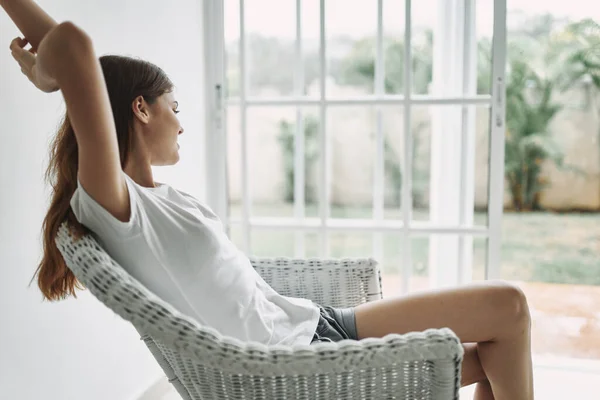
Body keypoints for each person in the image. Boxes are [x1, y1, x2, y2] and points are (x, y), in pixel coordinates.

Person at [1, 1, 534, 399]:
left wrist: (58, 72)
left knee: (503, 323)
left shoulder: (153, 197)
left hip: (318, 323)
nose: (181, 122)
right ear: (141, 110)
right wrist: (47, 77)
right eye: (174, 106)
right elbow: (72, 46)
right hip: (303, 364)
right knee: (507, 314)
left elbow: (75, 56)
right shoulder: (119, 209)